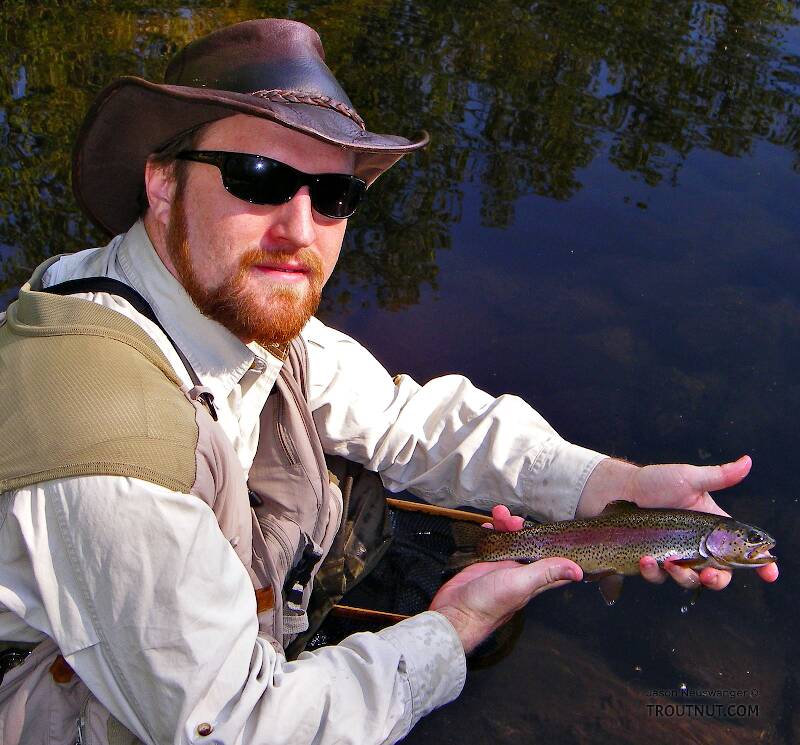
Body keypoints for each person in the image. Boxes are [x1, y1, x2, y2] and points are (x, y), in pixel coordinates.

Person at [0, 18, 777, 745]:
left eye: (333, 195)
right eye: (258, 176)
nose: (299, 230)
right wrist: (448, 635)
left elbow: (411, 421)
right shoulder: (106, 424)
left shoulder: (218, 303)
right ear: (162, 182)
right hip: (89, 706)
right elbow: (237, 725)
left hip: (163, 627)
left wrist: (612, 483)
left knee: (349, 472)